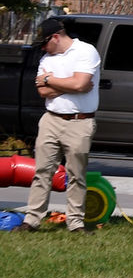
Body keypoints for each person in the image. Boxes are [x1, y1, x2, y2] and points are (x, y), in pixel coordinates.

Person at [16, 18, 101, 233]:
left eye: (44, 43)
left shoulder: (85, 51)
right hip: (51, 119)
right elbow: (43, 91)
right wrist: (70, 84)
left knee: (76, 174)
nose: (43, 49)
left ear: (55, 37)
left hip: (80, 121)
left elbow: (81, 83)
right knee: (42, 171)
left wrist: (49, 79)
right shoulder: (47, 58)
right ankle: (32, 220)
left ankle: (75, 223)